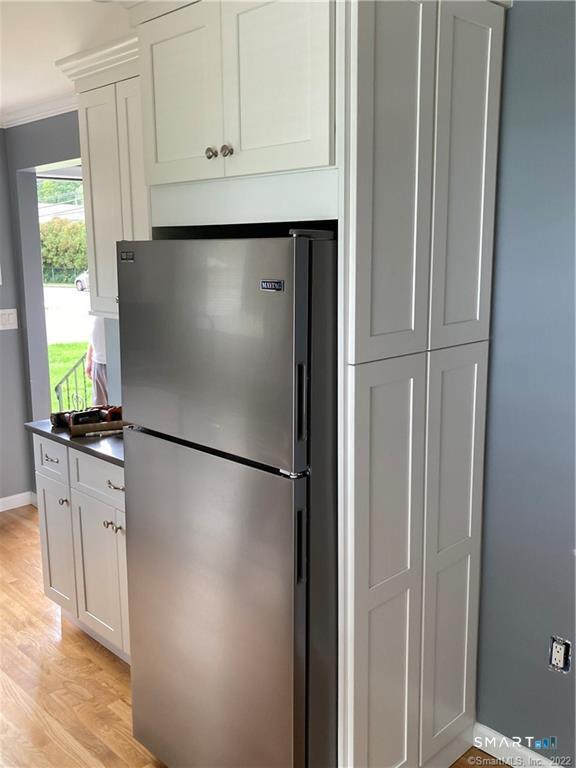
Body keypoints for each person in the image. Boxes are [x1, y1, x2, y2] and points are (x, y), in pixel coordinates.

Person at [85, 316, 108, 405]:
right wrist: (89, 358)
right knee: (99, 407)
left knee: (118, 407)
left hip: (115, 362)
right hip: (97, 361)